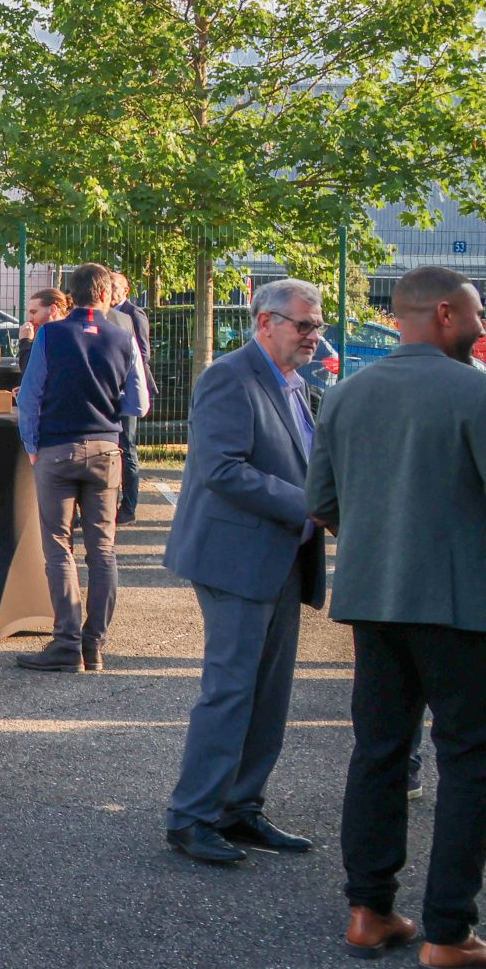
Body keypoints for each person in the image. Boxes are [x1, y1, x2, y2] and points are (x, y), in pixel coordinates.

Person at [310, 265, 486, 963]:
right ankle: (449, 930)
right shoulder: (476, 391)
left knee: (379, 752)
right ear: (445, 312)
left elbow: (322, 502)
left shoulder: (345, 393)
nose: (481, 323)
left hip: (372, 600)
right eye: (476, 311)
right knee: (468, 760)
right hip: (462, 606)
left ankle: (369, 910)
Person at [160, 279, 329, 869]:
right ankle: (192, 817)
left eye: (317, 325)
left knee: (269, 693)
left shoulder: (295, 384)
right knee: (231, 691)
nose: (314, 335)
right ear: (265, 322)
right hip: (235, 559)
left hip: (282, 556)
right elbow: (223, 469)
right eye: (304, 324)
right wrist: (309, 506)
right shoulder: (229, 377)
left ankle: (240, 807)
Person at [15, 262, 148, 673]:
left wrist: (32, 446)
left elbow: (30, 396)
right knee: (103, 549)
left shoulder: (50, 334)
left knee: (59, 548)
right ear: (106, 294)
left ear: (71, 295)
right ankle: (94, 643)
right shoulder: (123, 337)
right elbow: (139, 403)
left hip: (57, 449)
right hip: (106, 450)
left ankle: (67, 642)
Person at [106, 268, 158, 523]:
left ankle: (128, 508)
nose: (111, 292)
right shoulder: (105, 313)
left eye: (115, 287)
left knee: (127, 448)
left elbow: (143, 353)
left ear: (125, 290)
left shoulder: (133, 313)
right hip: (110, 391)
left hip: (128, 390)